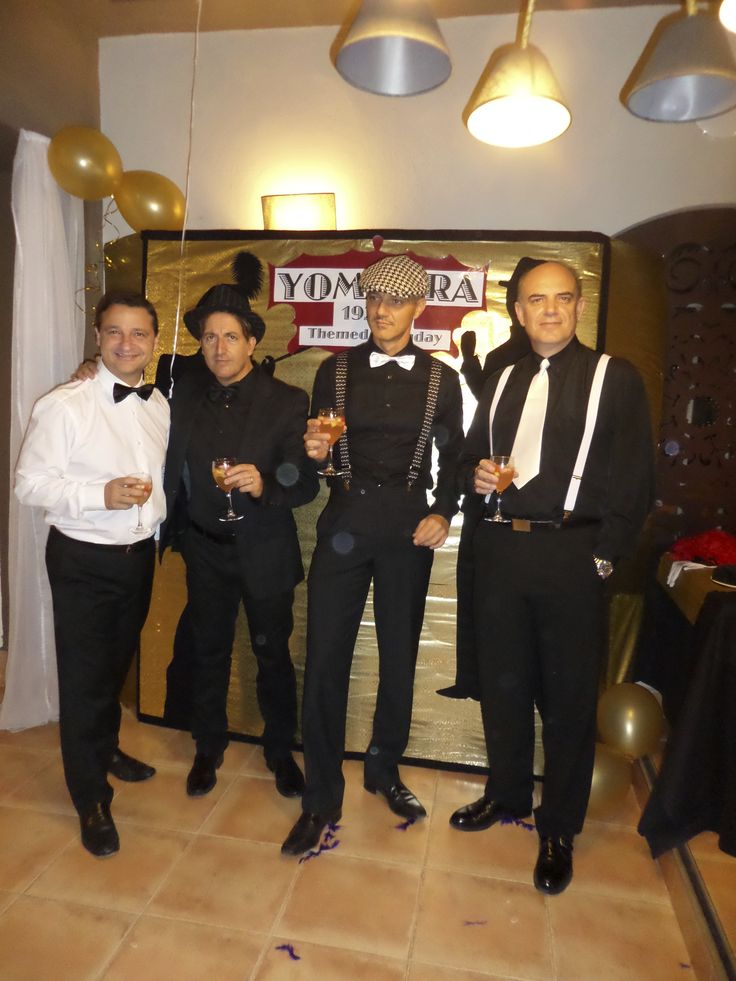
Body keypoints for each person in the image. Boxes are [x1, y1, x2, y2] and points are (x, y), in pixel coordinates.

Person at [449, 260, 654, 895]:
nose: (550, 310)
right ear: (517, 310)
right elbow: (466, 456)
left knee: (567, 702)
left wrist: (604, 555)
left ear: (579, 304)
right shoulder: (502, 376)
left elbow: (636, 476)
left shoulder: (614, 378)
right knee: (504, 687)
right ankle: (505, 793)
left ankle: (558, 827)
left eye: (563, 299)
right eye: (537, 300)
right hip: (502, 551)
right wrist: (475, 477)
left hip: (573, 553)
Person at [281, 253, 464, 856]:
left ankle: (384, 769)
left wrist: (443, 511)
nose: (382, 311)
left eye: (395, 301)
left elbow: (458, 460)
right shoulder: (334, 371)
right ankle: (321, 796)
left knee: (400, 655)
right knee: (325, 656)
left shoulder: (440, 379)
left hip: (409, 525)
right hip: (345, 519)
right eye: (373, 300)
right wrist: (314, 452)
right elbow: (321, 452)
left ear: (417, 308)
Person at [15, 291, 169, 857]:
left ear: (155, 342)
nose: (127, 344)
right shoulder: (66, 404)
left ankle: (105, 749)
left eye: (138, 334)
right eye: (114, 333)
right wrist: (98, 494)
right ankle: (90, 798)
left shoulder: (159, 405)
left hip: (138, 559)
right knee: (84, 681)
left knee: (113, 667)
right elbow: (29, 485)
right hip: (83, 559)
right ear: (99, 338)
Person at [159, 253, 319, 800]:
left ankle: (280, 749)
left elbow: (306, 485)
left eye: (231, 337)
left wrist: (265, 483)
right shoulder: (182, 398)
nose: (219, 349)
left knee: (273, 654)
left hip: (265, 549)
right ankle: (208, 748)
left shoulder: (288, 401)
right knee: (208, 650)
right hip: (205, 548)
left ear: (252, 341)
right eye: (209, 338)